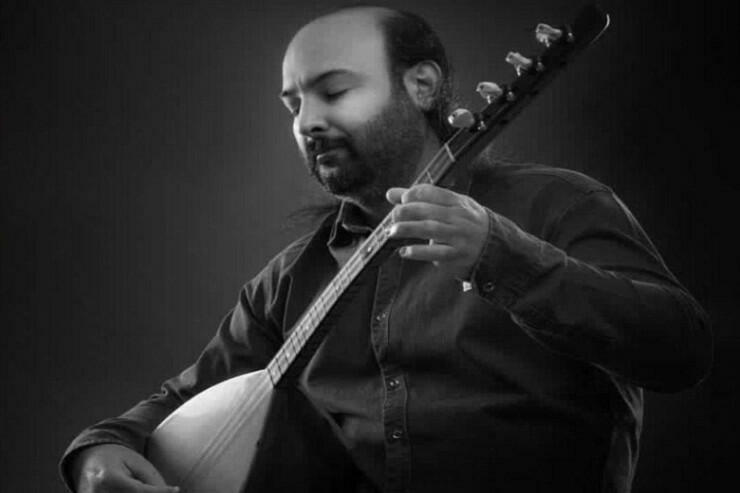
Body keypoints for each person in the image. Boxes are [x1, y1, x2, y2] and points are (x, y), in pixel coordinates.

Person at [60, 6, 713, 493]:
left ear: (422, 85)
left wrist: (502, 258)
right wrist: (100, 450)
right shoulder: (290, 279)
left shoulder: (555, 204)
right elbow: (183, 398)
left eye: (334, 91)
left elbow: (680, 346)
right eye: (293, 105)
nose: (308, 122)